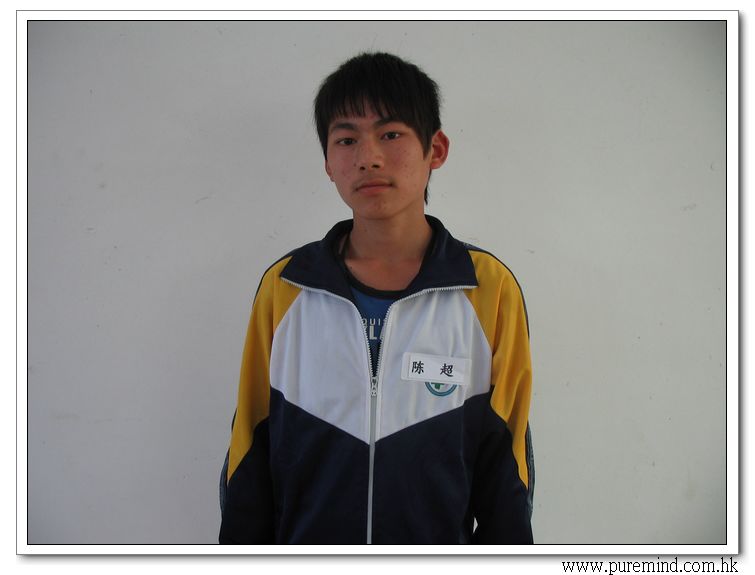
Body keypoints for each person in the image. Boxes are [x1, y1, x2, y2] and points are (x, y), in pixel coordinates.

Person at [219, 52, 534, 544]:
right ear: (328, 162)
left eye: (390, 134)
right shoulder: (287, 286)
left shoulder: (487, 289)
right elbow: (250, 449)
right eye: (346, 140)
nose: (368, 157)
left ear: (436, 149)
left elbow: (505, 462)